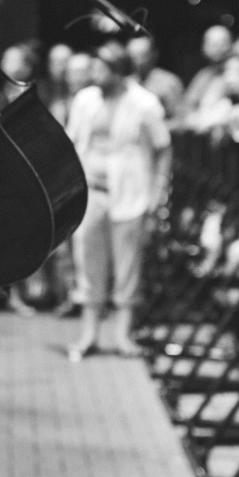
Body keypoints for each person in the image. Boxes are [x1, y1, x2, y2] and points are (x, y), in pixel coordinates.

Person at [65, 43, 171, 360]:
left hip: (130, 193)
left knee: (127, 265)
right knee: (88, 260)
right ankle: (88, 334)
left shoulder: (144, 103)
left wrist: (159, 190)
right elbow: (72, 140)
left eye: (101, 69)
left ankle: (122, 335)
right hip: (90, 191)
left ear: (118, 71)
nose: (94, 74)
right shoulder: (85, 99)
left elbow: (163, 146)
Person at [180, 25, 233, 119]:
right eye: (212, 44)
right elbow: (188, 103)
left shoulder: (234, 72)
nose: (218, 48)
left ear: (230, 45)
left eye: (222, 43)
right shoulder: (203, 74)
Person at [128, 34, 185, 119]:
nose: (138, 62)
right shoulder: (127, 83)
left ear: (154, 54)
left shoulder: (169, 82)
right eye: (133, 57)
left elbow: (180, 119)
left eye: (143, 56)